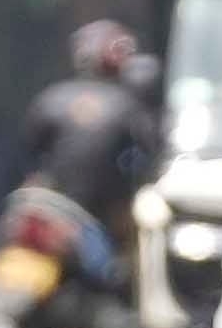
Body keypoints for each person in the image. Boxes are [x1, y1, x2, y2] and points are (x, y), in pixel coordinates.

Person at [17, 21, 156, 283]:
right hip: (91, 209)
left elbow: (30, 153)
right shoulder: (128, 106)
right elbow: (148, 153)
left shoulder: (51, 97)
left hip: (54, 204)